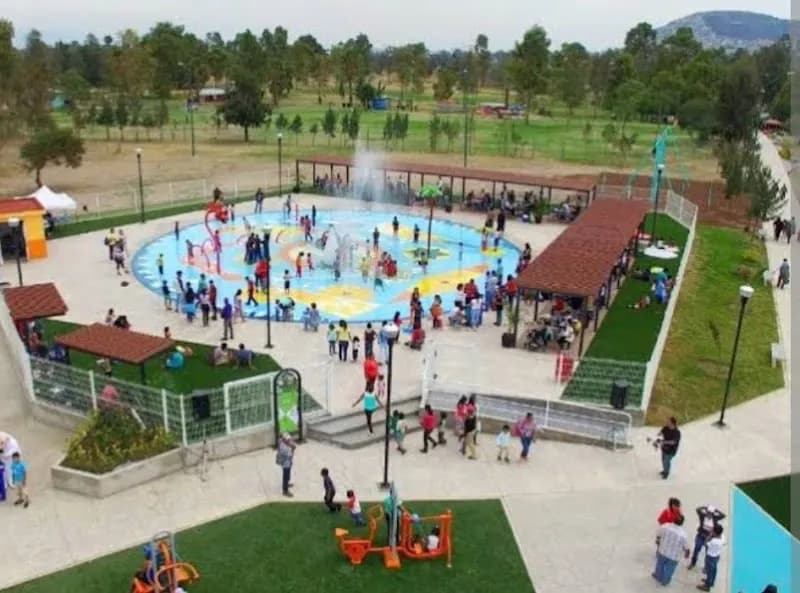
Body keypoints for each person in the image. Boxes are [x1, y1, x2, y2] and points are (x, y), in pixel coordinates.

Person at [653, 515, 690, 586]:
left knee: (660, 565)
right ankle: (665, 581)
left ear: (673, 520)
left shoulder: (665, 526)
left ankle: (658, 576)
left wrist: (658, 544)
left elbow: (658, 535)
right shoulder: (683, 534)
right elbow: (686, 547)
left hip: (662, 551)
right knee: (669, 570)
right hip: (674, 556)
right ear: (682, 523)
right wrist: (687, 555)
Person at [689, 504, 726, 570]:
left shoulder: (715, 518)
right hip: (701, 536)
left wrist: (716, 510)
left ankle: (706, 567)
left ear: (713, 513)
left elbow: (723, 515)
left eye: (711, 513)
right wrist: (705, 507)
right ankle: (693, 563)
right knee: (696, 549)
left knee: (708, 553)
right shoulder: (702, 516)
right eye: (708, 512)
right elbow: (697, 509)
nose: (709, 514)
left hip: (709, 538)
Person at [696, 524, 724, 591]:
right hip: (717, 556)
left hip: (710, 557)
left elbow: (705, 543)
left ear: (714, 532)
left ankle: (707, 586)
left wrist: (709, 536)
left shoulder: (713, 541)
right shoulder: (722, 538)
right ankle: (711, 582)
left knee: (709, 571)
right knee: (714, 570)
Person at [276, 433, 296, 497]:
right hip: (285, 464)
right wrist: (293, 448)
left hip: (288, 462)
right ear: (285, 440)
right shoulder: (283, 447)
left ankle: (287, 483)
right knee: (285, 476)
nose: (290, 441)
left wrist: (292, 446)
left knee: (288, 475)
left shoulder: (286, 444)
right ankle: (285, 491)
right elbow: (289, 454)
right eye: (288, 440)